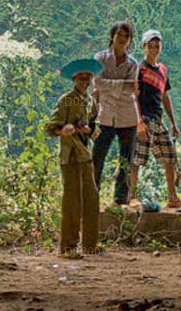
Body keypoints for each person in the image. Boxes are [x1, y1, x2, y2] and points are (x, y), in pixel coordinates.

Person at [46, 58, 102, 257]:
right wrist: (63, 130)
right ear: (74, 79)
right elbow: (50, 127)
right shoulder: (66, 100)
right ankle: (68, 247)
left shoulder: (91, 101)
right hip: (70, 155)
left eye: (88, 77)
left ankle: (90, 245)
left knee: (91, 198)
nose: (84, 81)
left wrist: (88, 131)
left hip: (85, 154)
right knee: (71, 201)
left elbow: (96, 128)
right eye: (81, 78)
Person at [129, 29, 181, 208]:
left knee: (170, 157)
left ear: (161, 47)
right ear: (144, 47)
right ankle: (130, 196)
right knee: (137, 159)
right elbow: (133, 96)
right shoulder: (139, 69)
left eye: (157, 45)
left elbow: (165, 97)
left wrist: (173, 123)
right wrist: (138, 122)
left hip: (158, 119)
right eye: (150, 46)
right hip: (144, 118)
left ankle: (172, 197)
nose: (154, 49)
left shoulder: (162, 70)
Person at [91, 21, 142, 208]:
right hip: (104, 116)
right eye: (119, 35)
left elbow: (128, 88)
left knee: (126, 160)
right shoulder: (100, 58)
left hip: (128, 116)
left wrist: (108, 86)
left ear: (129, 41)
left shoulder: (132, 63)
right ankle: (91, 196)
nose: (122, 39)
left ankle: (120, 200)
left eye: (126, 36)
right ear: (112, 36)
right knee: (97, 157)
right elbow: (97, 83)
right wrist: (122, 86)